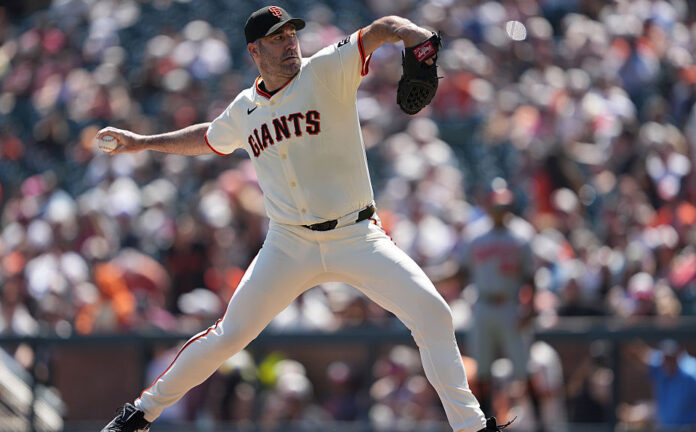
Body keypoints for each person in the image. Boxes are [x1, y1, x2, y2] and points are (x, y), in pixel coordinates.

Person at [96, 6, 510, 432]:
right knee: (229, 335)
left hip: (356, 235)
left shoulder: (327, 68)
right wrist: (141, 142)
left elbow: (384, 28)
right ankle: (139, 414)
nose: (290, 42)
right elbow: (207, 138)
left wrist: (415, 37)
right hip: (288, 243)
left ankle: (472, 428)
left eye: (292, 33)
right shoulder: (244, 108)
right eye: (277, 38)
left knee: (433, 315)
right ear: (255, 51)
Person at [436, 186, 537, 420]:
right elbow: (462, 272)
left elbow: (531, 278)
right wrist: (432, 277)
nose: (500, 210)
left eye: (504, 206)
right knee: (482, 370)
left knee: (523, 369)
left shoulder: (522, 234)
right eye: (496, 206)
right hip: (483, 305)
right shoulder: (476, 235)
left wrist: (530, 308)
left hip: (511, 304)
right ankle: (485, 421)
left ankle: (541, 423)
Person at [628, 339, 696, 429]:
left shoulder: (691, 373)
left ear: (680, 352)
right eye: (665, 357)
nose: (667, 361)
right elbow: (637, 354)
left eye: (671, 357)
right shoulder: (659, 365)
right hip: (664, 428)